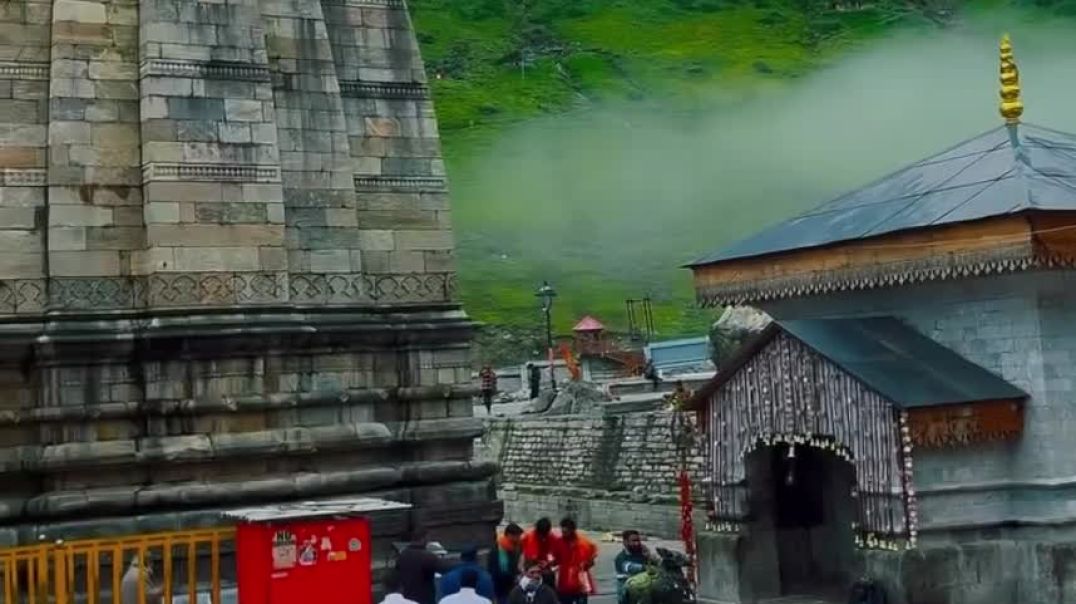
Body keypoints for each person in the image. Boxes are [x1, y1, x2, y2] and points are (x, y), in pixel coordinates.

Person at [397, 530, 453, 604]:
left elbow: (397, 574)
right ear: (423, 539)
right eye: (428, 538)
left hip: (407, 597)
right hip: (424, 598)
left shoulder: (403, 555)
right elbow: (446, 568)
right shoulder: (427, 557)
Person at [551, 518, 597, 604]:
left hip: (580, 582)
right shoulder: (558, 542)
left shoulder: (584, 542)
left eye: (566, 532)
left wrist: (588, 564)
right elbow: (555, 560)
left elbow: (592, 558)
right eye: (562, 532)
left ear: (572, 530)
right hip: (564, 582)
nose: (563, 534)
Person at [613, 530, 654, 604]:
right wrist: (646, 568)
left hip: (643, 593)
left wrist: (649, 556)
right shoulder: (620, 558)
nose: (637, 543)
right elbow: (630, 567)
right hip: (628, 595)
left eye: (638, 540)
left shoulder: (642, 554)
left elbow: (655, 563)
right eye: (633, 541)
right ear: (625, 542)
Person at [490, 523, 525, 602]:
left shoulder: (515, 546)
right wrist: (516, 576)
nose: (519, 538)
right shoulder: (500, 549)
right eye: (517, 536)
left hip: (510, 583)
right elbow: (502, 571)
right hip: (502, 585)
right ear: (509, 535)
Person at [520, 517, 559, 587]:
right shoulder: (530, 538)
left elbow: (557, 555)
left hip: (545, 564)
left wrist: (549, 563)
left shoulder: (552, 537)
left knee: (550, 577)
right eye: (541, 535)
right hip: (530, 565)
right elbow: (529, 559)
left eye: (545, 535)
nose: (543, 538)